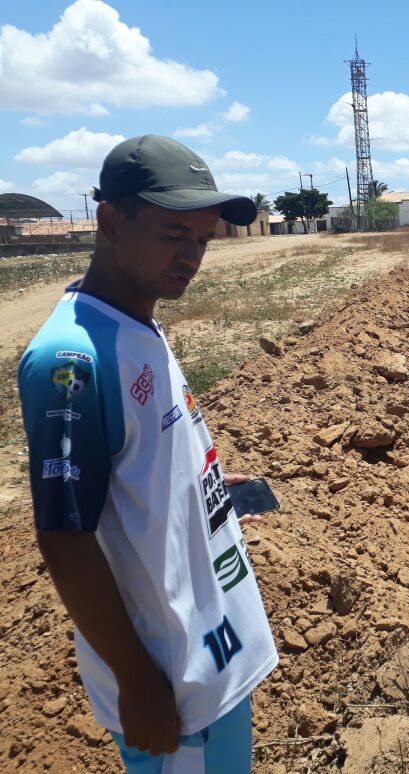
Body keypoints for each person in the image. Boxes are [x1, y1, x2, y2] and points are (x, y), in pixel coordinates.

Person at [17, 135, 278, 772]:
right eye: (172, 235)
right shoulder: (71, 363)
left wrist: (203, 483)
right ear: (110, 222)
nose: (190, 256)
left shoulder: (138, 321)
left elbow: (139, 462)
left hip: (212, 652)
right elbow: (65, 536)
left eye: (203, 240)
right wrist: (137, 683)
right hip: (170, 682)